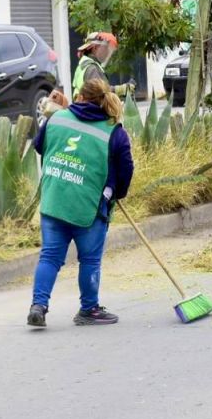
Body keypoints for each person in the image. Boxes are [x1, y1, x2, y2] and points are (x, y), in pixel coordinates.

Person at [27, 78, 135, 327]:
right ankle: (88, 309)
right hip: (89, 207)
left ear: (80, 97)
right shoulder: (114, 132)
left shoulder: (57, 119)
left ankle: (38, 305)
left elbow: (40, 146)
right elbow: (126, 167)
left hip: (54, 201)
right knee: (90, 260)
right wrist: (118, 192)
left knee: (50, 257)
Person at [72, 31, 136, 97]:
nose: (108, 52)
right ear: (95, 48)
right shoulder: (92, 68)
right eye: (106, 48)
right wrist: (122, 89)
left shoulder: (84, 65)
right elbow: (99, 92)